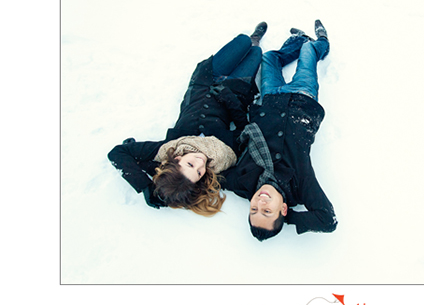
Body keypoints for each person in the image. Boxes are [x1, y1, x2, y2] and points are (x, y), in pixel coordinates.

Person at [107, 22, 268, 216]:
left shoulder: (168, 147)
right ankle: (256, 42)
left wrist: (146, 186)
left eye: (190, 164)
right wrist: (228, 97)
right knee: (255, 54)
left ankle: (251, 39)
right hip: (234, 89)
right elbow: (244, 127)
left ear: (177, 159)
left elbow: (117, 153)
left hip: (205, 80)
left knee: (242, 41)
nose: (200, 162)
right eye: (199, 172)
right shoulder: (221, 160)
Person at [221, 20, 337, 240]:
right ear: (283, 209)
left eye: (254, 210)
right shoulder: (300, 185)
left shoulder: (242, 182)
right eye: (267, 211)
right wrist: (290, 218)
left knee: (269, 58)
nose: (260, 203)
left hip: (270, 100)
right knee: (307, 54)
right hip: (301, 100)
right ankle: (321, 43)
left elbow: (210, 176)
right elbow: (327, 221)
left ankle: (299, 39)